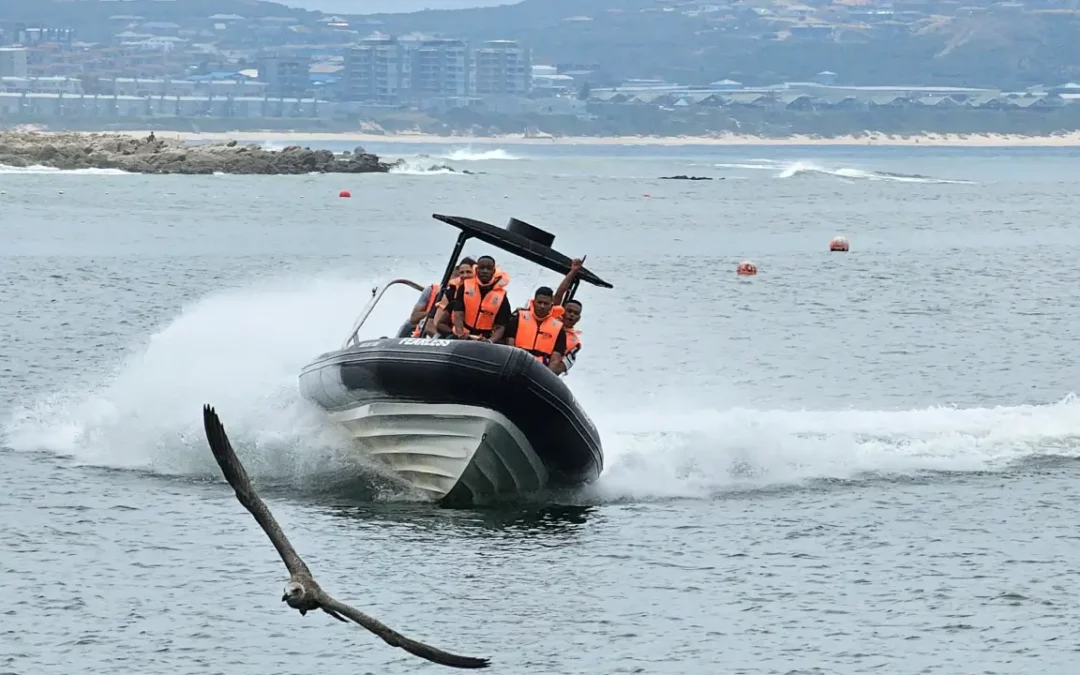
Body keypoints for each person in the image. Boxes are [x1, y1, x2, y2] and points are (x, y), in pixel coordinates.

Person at [397, 257, 475, 338]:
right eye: (460, 274)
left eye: (468, 273)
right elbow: (414, 318)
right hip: (428, 334)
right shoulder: (435, 291)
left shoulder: (474, 293)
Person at [446, 255, 512, 342]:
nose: (485, 271)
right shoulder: (464, 287)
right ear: (476, 270)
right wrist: (460, 333)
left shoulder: (502, 296)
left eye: (488, 269)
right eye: (482, 268)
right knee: (448, 339)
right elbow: (458, 313)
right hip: (462, 335)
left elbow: (500, 327)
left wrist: (490, 341)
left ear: (494, 271)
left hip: (484, 339)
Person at [505, 286, 568, 373]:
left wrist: (546, 376)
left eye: (546, 304)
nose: (542, 306)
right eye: (539, 302)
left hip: (539, 370)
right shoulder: (518, 318)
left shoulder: (559, 329)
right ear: (534, 302)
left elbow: (555, 360)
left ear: (551, 306)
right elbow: (509, 345)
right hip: (517, 363)